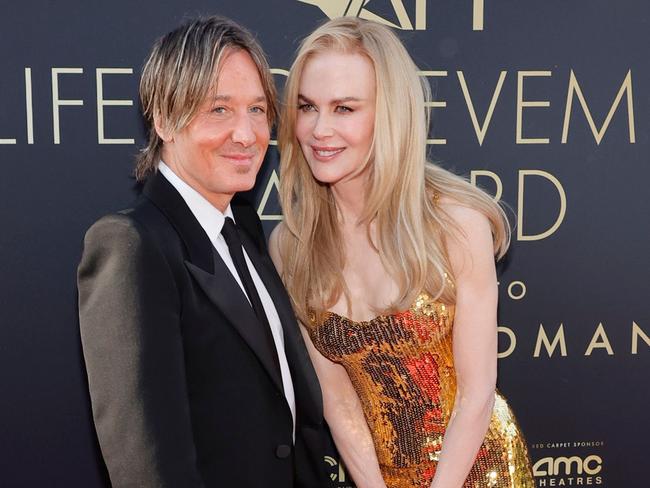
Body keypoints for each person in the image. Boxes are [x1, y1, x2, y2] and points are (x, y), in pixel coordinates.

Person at [270, 17, 535, 488]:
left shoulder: (454, 224)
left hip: (478, 469)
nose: (319, 129)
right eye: (308, 107)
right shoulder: (292, 248)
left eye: (345, 108)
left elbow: (475, 395)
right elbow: (339, 401)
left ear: (389, 114)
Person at [77, 16, 326, 488]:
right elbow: (148, 464)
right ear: (165, 119)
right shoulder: (133, 247)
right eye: (219, 110)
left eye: (257, 109)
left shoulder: (245, 228)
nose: (247, 134)